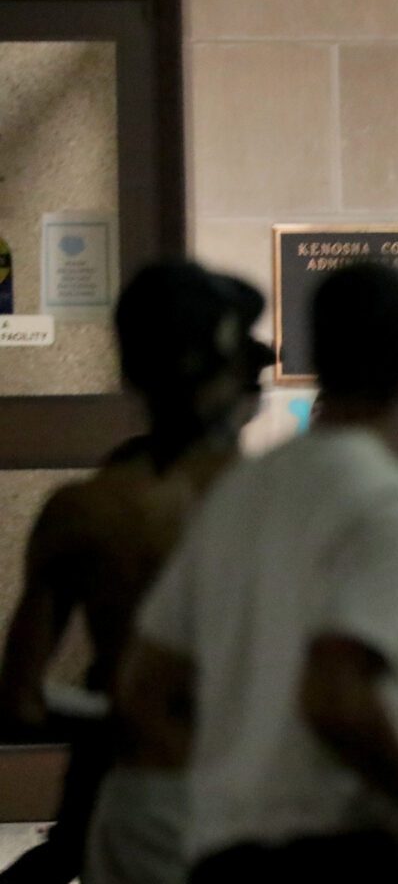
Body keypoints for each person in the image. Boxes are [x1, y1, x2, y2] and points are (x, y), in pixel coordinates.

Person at [118, 263, 398, 883]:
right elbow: (336, 693)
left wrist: (228, 786)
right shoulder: (388, 500)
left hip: (220, 855)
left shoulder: (241, 488)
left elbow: (145, 686)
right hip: (338, 850)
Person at [0, 261, 272, 884]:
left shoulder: (84, 511)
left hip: (136, 798)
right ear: (230, 372)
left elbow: (19, 697)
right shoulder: (281, 502)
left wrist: (122, 710)